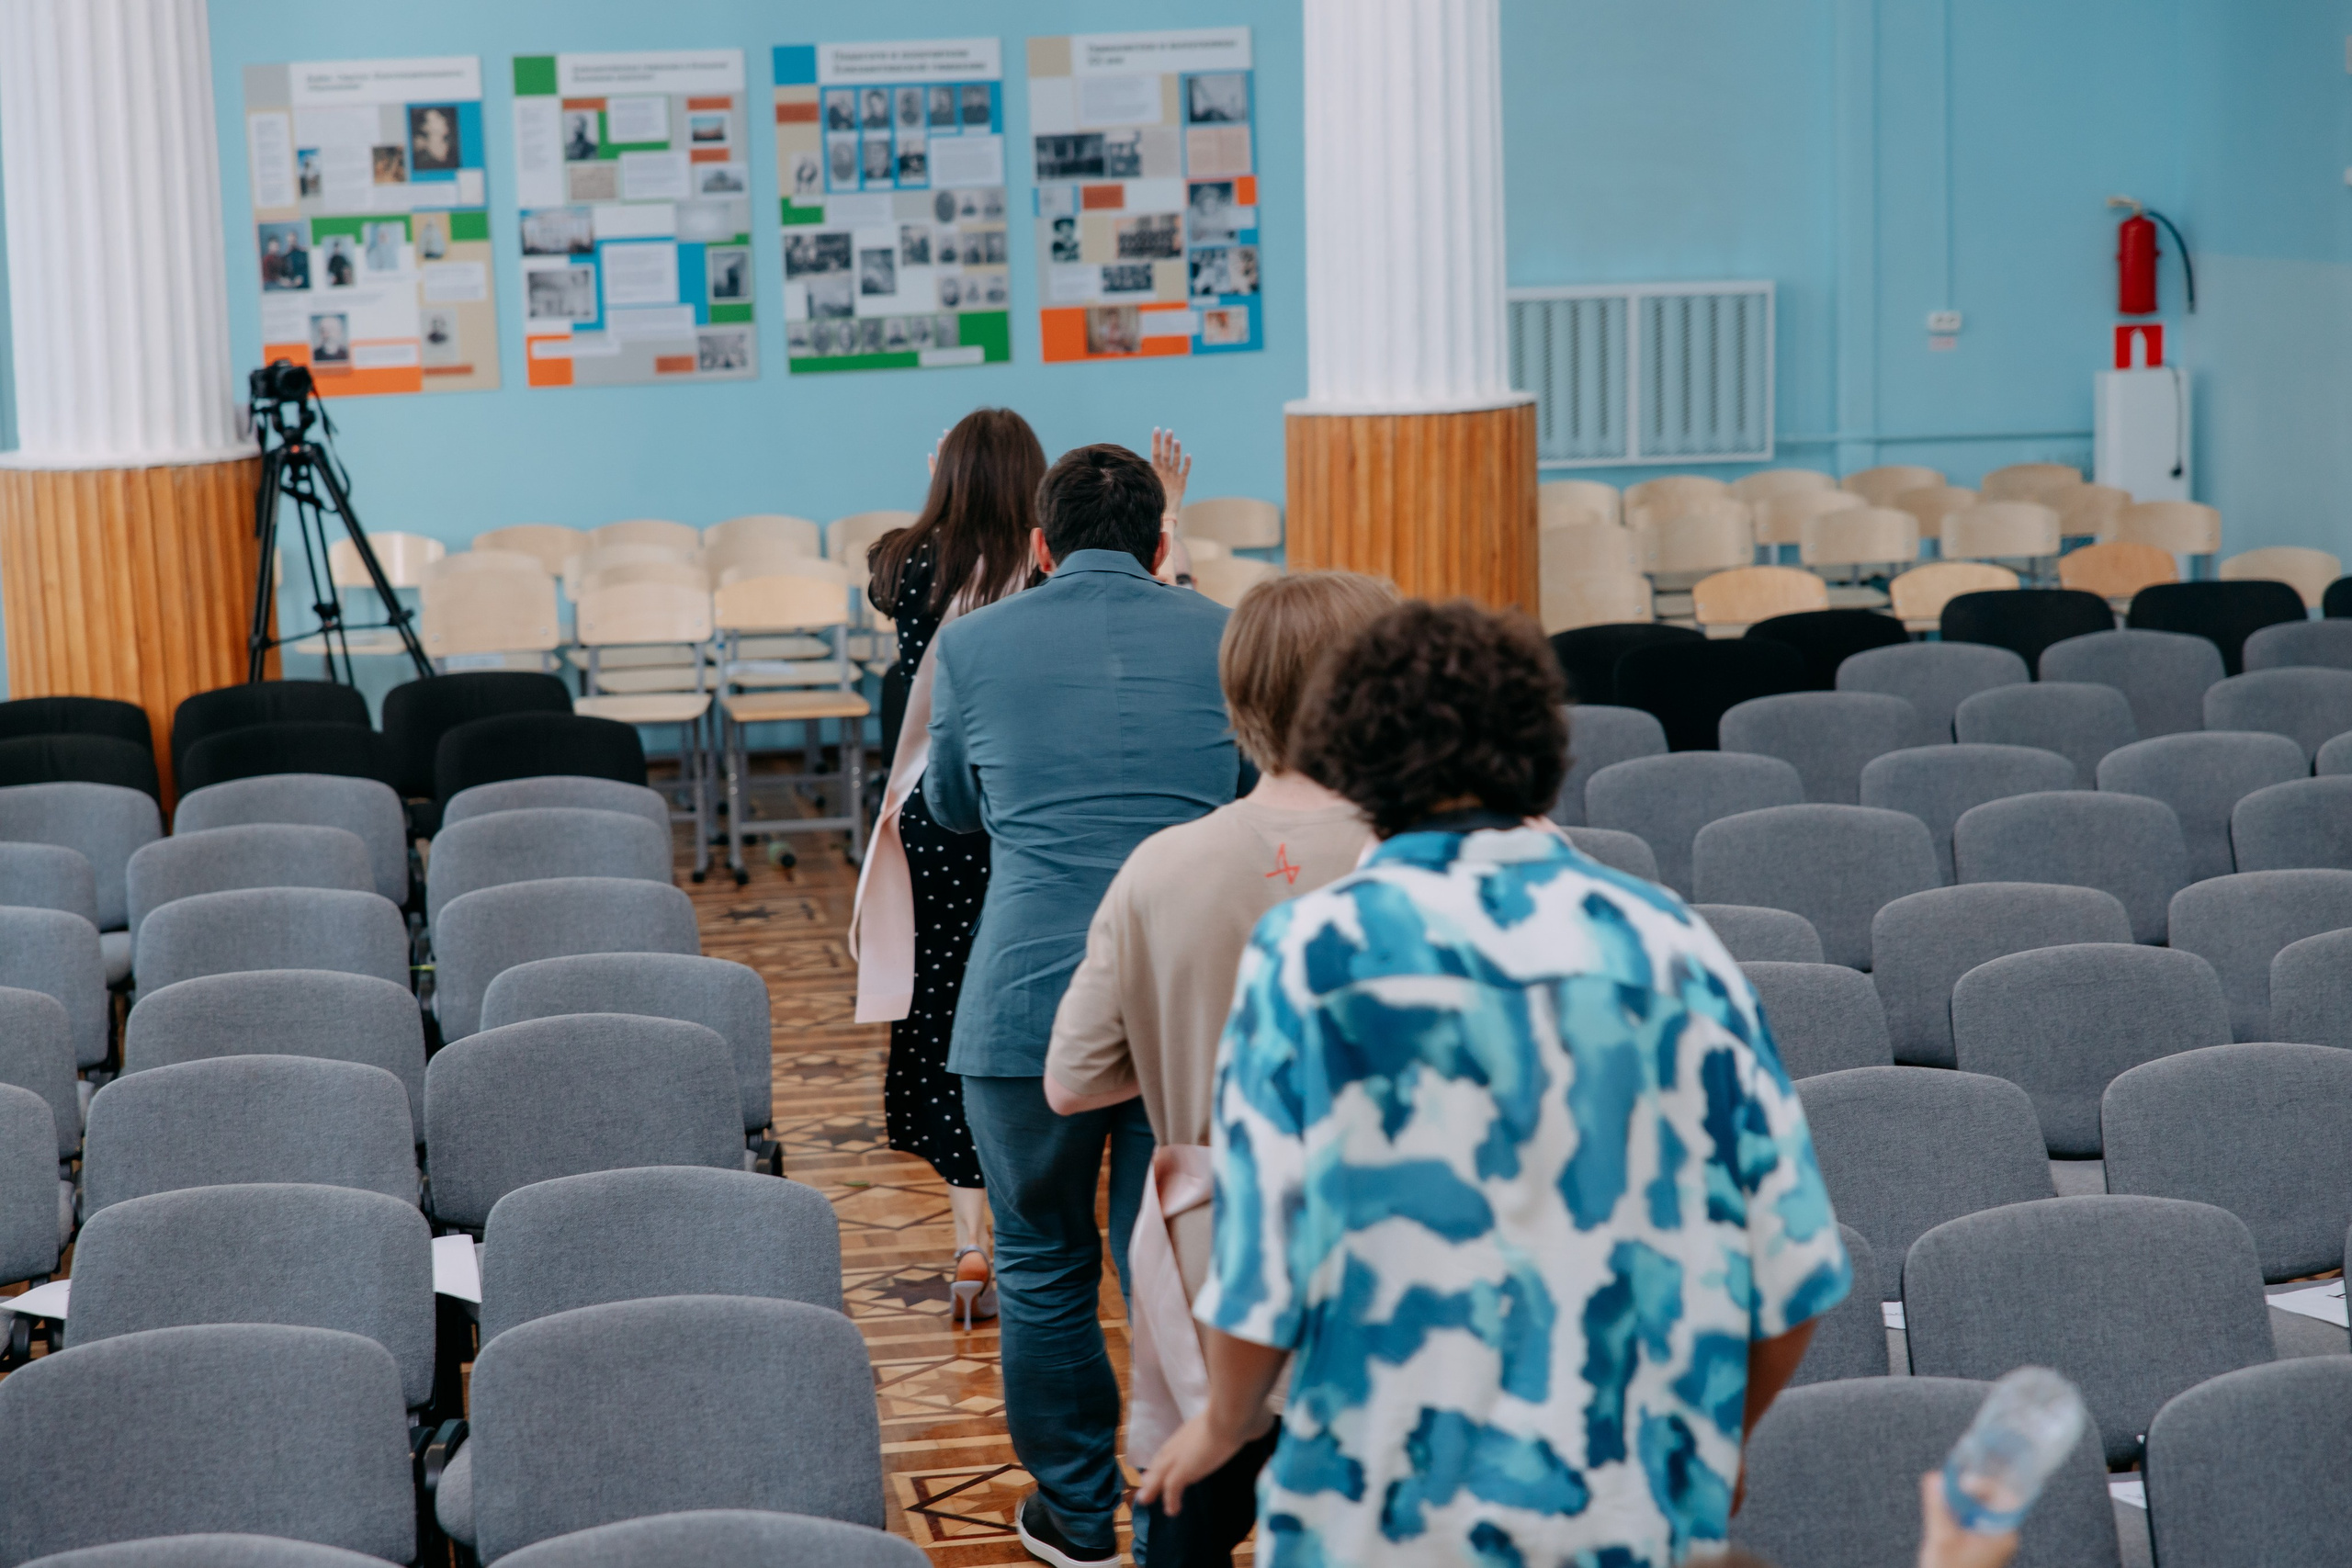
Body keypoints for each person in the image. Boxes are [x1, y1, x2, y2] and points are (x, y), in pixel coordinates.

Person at [1138, 600, 1851, 1566]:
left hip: (1380, 1517)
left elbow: (1262, 1263)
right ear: (1543, 751)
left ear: (1352, 763)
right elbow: (1792, 1266)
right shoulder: (1672, 944)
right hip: (1621, 1507)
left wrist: (1223, 1423)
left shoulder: (1312, 951)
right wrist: (1716, 1436)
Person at [923, 443, 1238, 1568]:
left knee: (1040, 1258)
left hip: (1026, 998)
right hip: (1185, 1001)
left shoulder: (971, 643)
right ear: (1160, 547)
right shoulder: (1224, 633)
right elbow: (1254, 793)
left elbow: (950, 807)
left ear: (1040, 546)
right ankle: (1176, 1523)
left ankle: (1073, 1514)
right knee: (1176, 1270)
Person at [1045, 570, 1396, 1566]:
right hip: (1390, 1249)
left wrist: (1178, 1048)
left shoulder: (1161, 864)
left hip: (1218, 1257)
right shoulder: (1427, 855)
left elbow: (1072, 1083)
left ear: (1236, 691)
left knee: (1190, 1522)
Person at [860, 409, 1047, 1325]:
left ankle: (969, 1242)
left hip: (936, 808)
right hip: (1021, 811)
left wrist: (937, 499)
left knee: (942, 1010)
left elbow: (902, 579)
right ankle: (1031, 1215)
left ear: (947, 475)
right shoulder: (1044, 569)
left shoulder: (906, 560)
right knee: (1021, 1005)